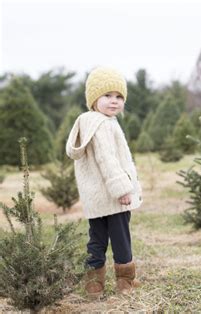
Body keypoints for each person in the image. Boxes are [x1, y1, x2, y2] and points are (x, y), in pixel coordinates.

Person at [66, 66, 142, 299]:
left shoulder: (89, 122)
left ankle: (94, 285)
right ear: (93, 99)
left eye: (119, 97)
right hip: (114, 195)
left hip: (95, 197)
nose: (114, 101)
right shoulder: (103, 124)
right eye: (107, 96)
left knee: (96, 238)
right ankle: (124, 283)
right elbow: (107, 159)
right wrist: (122, 189)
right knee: (120, 238)